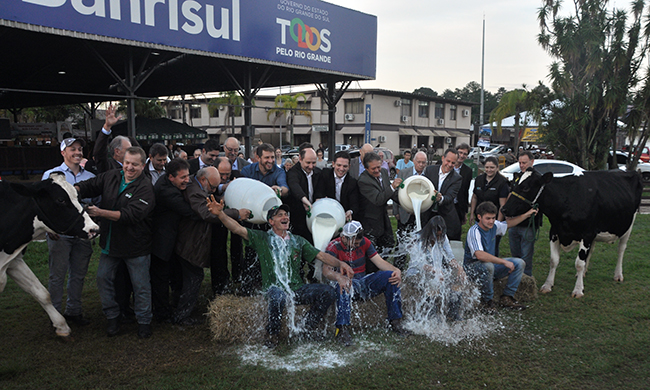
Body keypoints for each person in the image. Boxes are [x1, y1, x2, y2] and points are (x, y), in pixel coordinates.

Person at [206, 199, 354, 349]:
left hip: (296, 289)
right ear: (271, 221)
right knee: (278, 296)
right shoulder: (262, 238)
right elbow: (237, 229)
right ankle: (272, 334)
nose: (285, 217)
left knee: (328, 292)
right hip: (274, 288)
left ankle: (306, 328)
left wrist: (340, 263)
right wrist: (220, 214)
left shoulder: (298, 241)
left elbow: (321, 256)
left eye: (286, 215)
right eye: (280, 215)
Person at [75, 146, 156, 338]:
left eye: (134, 165)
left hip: (136, 246)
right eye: (127, 163)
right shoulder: (112, 175)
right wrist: (73, 189)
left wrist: (100, 213)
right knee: (103, 279)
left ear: (143, 166)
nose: (129, 167)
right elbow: (91, 185)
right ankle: (112, 317)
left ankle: (144, 322)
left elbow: (130, 215)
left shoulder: (146, 188)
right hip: (110, 244)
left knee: (141, 286)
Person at [173, 166, 247, 325]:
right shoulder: (194, 192)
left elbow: (211, 200)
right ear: (202, 180)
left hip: (190, 241)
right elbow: (208, 213)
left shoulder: (197, 186)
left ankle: (182, 311)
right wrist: (236, 213)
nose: (213, 190)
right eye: (212, 187)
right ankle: (182, 316)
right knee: (194, 277)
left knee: (191, 277)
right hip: (189, 243)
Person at [322, 221, 410, 347]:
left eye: (358, 243)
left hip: (363, 281)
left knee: (391, 277)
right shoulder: (334, 246)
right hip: (346, 283)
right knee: (344, 285)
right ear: (343, 238)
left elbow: (379, 262)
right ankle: (342, 329)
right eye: (354, 243)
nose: (357, 245)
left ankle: (395, 321)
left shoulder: (364, 242)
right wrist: (338, 277)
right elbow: (326, 270)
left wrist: (396, 270)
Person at [41, 137, 97, 326]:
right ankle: (55, 315)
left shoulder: (89, 176)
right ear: (63, 152)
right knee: (57, 275)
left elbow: (97, 199)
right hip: (60, 234)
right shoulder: (50, 175)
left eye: (80, 149)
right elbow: (43, 206)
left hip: (83, 234)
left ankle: (74, 311)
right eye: (72, 149)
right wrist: (49, 228)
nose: (77, 152)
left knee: (78, 274)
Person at [464, 201, 537, 311]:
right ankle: (487, 301)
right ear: (479, 217)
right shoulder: (474, 231)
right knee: (489, 266)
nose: (491, 221)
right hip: (473, 269)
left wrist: (527, 214)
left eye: (493, 218)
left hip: (490, 266)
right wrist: (503, 262)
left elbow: (509, 224)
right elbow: (479, 255)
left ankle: (507, 297)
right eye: (488, 218)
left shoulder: (494, 226)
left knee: (519, 263)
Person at [240, 143, 289, 293]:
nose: (270, 160)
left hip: (270, 220)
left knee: (269, 251)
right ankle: (248, 285)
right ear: (258, 157)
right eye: (267, 157)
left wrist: (280, 190)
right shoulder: (247, 171)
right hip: (252, 218)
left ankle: (269, 283)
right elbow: (241, 190)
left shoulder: (278, 171)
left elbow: (285, 188)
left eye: (273, 157)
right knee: (250, 251)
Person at [150, 158, 193, 322]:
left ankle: (172, 304)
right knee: (160, 278)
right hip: (161, 242)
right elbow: (189, 211)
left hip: (167, 239)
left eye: (188, 176)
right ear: (171, 177)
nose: (187, 181)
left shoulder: (167, 182)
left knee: (172, 274)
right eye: (183, 178)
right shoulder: (167, 192)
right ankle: (162, 313)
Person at [407, 216, 468, 321]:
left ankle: (453, 312)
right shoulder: (417, 240)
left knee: (457, 277)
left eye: (440, 235)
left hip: (437, 271)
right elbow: (418, 264)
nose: (438, 238)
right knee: (432, 279)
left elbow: (450, 257)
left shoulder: (443, 237)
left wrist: (459, 268)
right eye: (436, 235)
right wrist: (434, 269)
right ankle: (432, 314)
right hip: (417, 273)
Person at [357, 152, 402, 271]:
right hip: (370, 221)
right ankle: (371, 275)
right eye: (373, 169)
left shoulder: (383, 173)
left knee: (389, 244)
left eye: (379, 167)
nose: (377, 170)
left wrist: (406, 201)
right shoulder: (363, 180)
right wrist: (393, 187)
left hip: (383, 217)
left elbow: (390, 194)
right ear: (366, 168)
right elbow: (378, 199)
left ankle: (381, 269)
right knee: (372, 251)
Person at [508, 151, 542, 276]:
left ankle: (526, 279)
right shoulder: (517, 177)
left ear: (532, 162)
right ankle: (515, 277)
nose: (521, 165)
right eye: (520, 162)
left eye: (524, 163)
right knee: (515, 253)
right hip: (514, 221)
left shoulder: (537, 179)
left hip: (528, 224)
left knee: (526, 255)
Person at [394, 151, 428, 269]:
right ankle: (398, 267)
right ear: (414, 162)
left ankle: (417, 268)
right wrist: (396, 212)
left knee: (419, 242)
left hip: (421, 214)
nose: (421, 164)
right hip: (404, 214)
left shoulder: (428, 175)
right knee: (401, 243)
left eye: (423, 162)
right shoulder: (404, 173)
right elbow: (396, 194)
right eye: (419, 162)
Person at [469, 156, 509, 257]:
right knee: (479, 244)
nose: (489, 170)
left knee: (492, 247)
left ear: (497, 168)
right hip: (480, 219)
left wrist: (497, 223)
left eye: (492, 167)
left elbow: (502, 205)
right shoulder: (479, 179)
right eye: (487, 167)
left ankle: (493, 268)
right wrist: (471, 214)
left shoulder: (502, 182)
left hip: (492, 220)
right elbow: (474, 197)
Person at [286, 143, 322, 244]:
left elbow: (320, 189)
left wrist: (318, 199)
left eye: (314, 163)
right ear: (300, 159)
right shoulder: (293, 172)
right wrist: (304, 200)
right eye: (308, 162)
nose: (311, 166)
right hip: (298, 218)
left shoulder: (318, 172)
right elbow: (294, 186)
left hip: (316, 216)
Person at [423, 148, 462, 241]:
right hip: (427, 215)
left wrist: (440, 199)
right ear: (443, 158)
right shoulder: (429, 170)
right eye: (448, 161)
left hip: (446, 217)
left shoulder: (457, 178)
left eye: (453, 163)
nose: (449, 165)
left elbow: (450, 197)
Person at [314, 150, 359, 223]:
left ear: (349, 166)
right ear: (333, 164)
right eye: (339, 165)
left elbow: (355, 204)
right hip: (325, 216)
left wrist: (350, 212)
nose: (341, 169)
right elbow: (318, 193)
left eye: (345, 166)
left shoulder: (352, 182)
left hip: (342, 218)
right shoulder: (324, 174)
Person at [93, 104, 131, 174]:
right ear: (117, 151)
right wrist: (107, 127)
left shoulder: (132, 168)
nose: (131, 152)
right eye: (128, 150)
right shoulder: (108, 166)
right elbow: (99, 153)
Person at [453, 143, 473, 227]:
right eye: (460, 152)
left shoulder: (468, 171)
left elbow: (466, 191)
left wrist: (465, 212)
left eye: (465, 154)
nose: (461, 155)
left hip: (457, 205)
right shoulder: (445, 165)